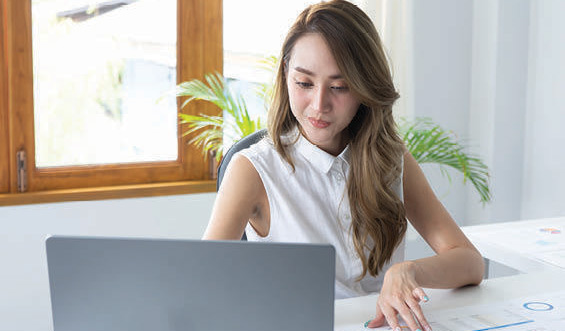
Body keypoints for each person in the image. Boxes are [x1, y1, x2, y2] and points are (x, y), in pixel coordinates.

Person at [203, 1, 484, 330]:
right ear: (285, 77)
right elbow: (202, 284)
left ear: (365, 89)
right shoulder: (253, 169)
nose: (319, 105)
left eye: (339, 87)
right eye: (304, 84)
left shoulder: (391, 159)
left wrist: (407, 271)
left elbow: (470, 263)